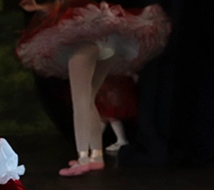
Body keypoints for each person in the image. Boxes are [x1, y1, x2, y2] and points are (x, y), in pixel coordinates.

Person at [16, 0, 171, 176]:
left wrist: (41, 8)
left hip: (84, 43)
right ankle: (96, 156)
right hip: (107, 43)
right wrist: (39, 8)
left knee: (80, 101)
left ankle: (83, 158)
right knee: (89, 99)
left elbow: (66, 7)